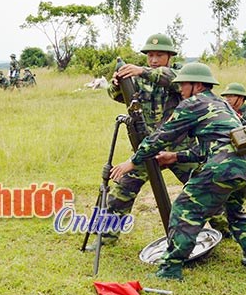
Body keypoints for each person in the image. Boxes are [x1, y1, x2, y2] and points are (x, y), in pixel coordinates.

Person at [111, 62, 246, 280]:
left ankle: (170, 269)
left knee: (184, 210)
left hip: (223, 168)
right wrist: (176, 157)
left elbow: (162, 136)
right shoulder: (221, 104)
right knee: (234, 212)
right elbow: (210, 145)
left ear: (197, 85)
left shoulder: (193, 104)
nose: (181, 89)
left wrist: (133, 161)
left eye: (184, 84)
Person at [86, 33, 205, 250]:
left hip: (181, 149)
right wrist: (117, 83)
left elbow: (171, 80)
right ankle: (106, 237)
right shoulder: (140, 78)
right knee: (122, 189)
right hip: (150, 148)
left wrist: (143, 71)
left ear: (170, 56)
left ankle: (224, 229)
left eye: (159, 55)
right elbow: (118, 96)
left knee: (204, 188)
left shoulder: (181, 74)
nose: (154, 59)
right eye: (150, 55)